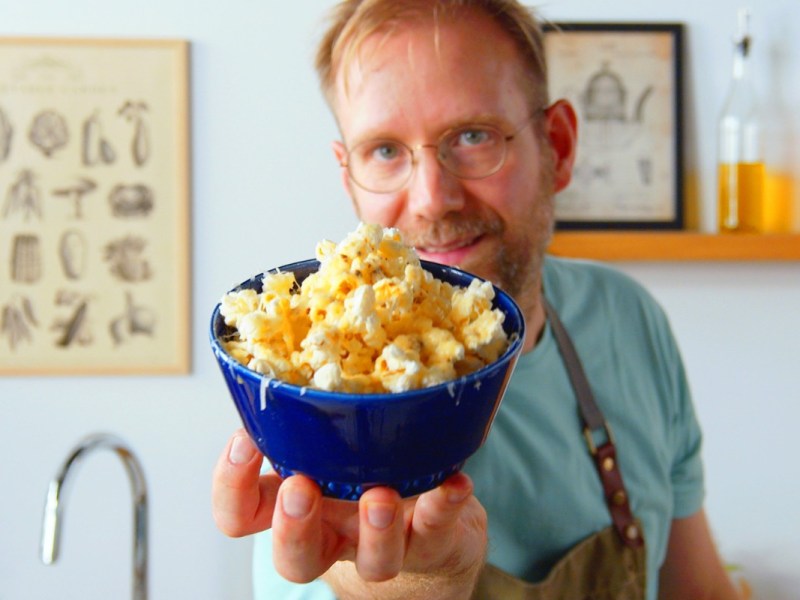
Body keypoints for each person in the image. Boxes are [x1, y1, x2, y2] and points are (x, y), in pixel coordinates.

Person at [212, 1, 742, 598]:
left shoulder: (628, 319)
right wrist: (419, 580)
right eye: (385, 151)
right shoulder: (320, 403)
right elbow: (354, 571)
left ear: (558, 148)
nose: (433, 199)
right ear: (349, 178)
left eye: (472, 136)